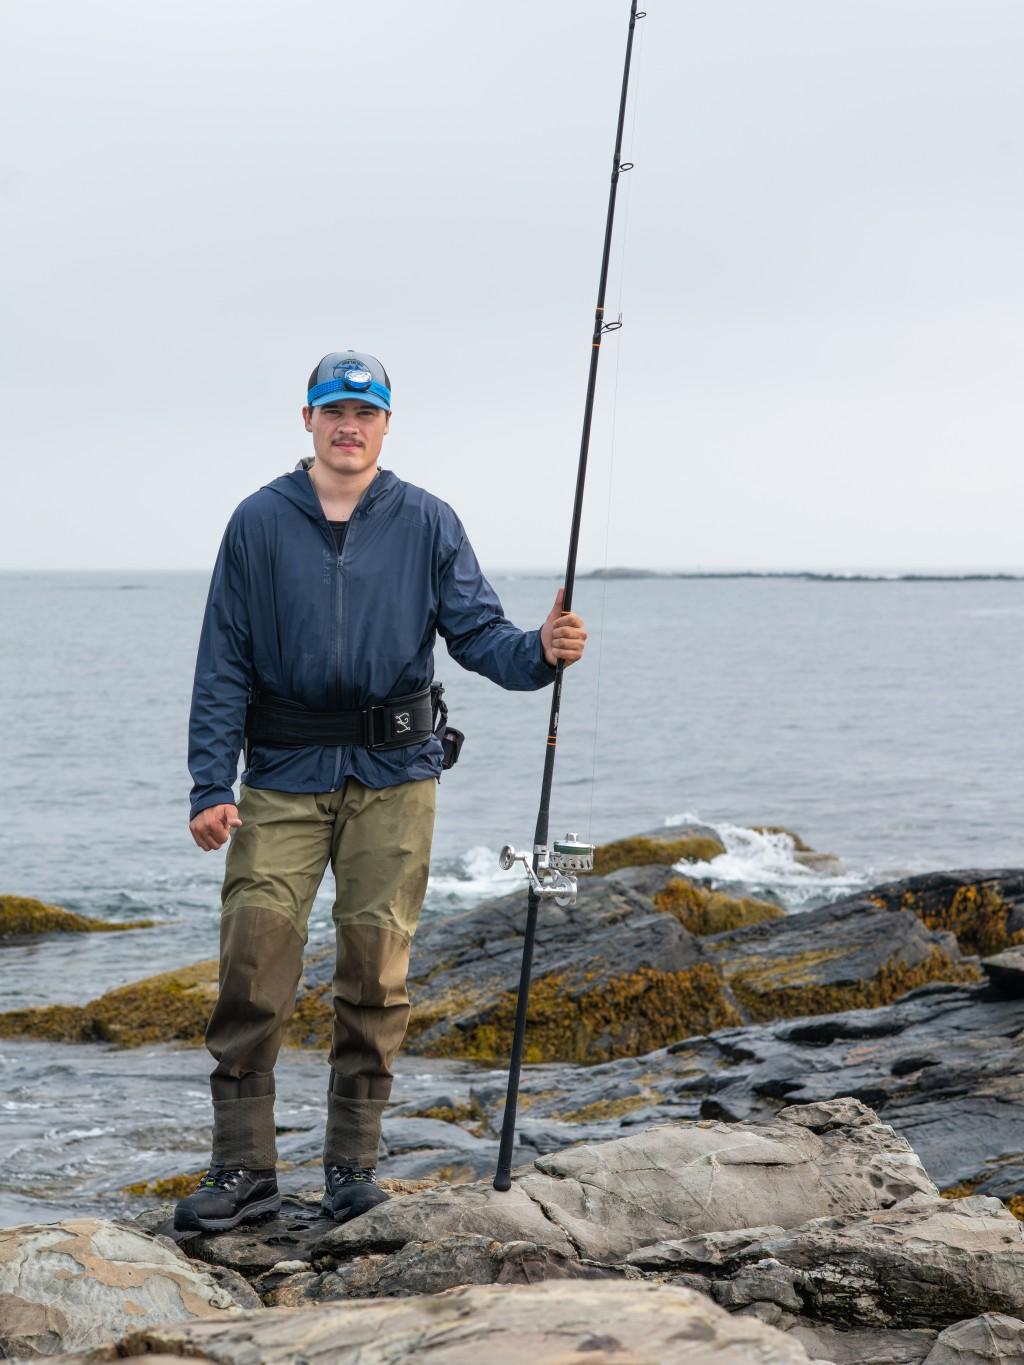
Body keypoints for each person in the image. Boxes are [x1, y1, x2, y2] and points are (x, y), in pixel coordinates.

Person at [174, 350, 587, 1233]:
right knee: (252, 970)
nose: (349, 426)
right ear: (308, 420)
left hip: (396, 780)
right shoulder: (256, 521)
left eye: (365, 412)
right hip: (279, 780)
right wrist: (212, 781)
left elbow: (480, 636)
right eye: (334, 411)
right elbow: (222, 664)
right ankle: (243, 1171)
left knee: (375, 976)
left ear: (387, 424)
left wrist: (541, 649)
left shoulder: (428, 521)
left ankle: (351, 1170)